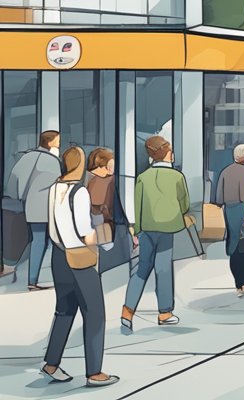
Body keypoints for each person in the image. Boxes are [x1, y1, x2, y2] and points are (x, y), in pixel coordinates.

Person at [40, 145, 119, 388]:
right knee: (95, 314)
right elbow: (86, 233)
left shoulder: (54, 188)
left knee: (64, 311)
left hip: (59, 256)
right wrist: (102, 239)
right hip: (80, 259)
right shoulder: (80, 192)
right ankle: (94, 372)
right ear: (78, 165)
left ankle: (51, 363)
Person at [121, 136, 189, 331]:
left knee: (141, 269)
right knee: (163, 268)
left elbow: (138, 205)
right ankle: (165, 312)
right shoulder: (177, 177)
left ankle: (127, 311)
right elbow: (184, 203)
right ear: (166, 154)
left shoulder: (143, 177)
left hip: (147, 229)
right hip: (168, 228)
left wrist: (137, 230)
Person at [6, 130, 62, 290]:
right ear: (50, 142)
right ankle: (38, 280)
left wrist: (18, 197)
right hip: (46, 207)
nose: (59, 142)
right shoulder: (52, 161)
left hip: (29, 206)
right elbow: (57, 184)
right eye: (57, 140)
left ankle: (33, 280)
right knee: (50, 241)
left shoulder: (26, 157)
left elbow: (13, 180)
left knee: (37, 241)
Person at [212, 144, 244, 295]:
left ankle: (238, 282)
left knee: (233, 242)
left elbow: (218, 198)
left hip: (230, 210)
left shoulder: (225, 172)